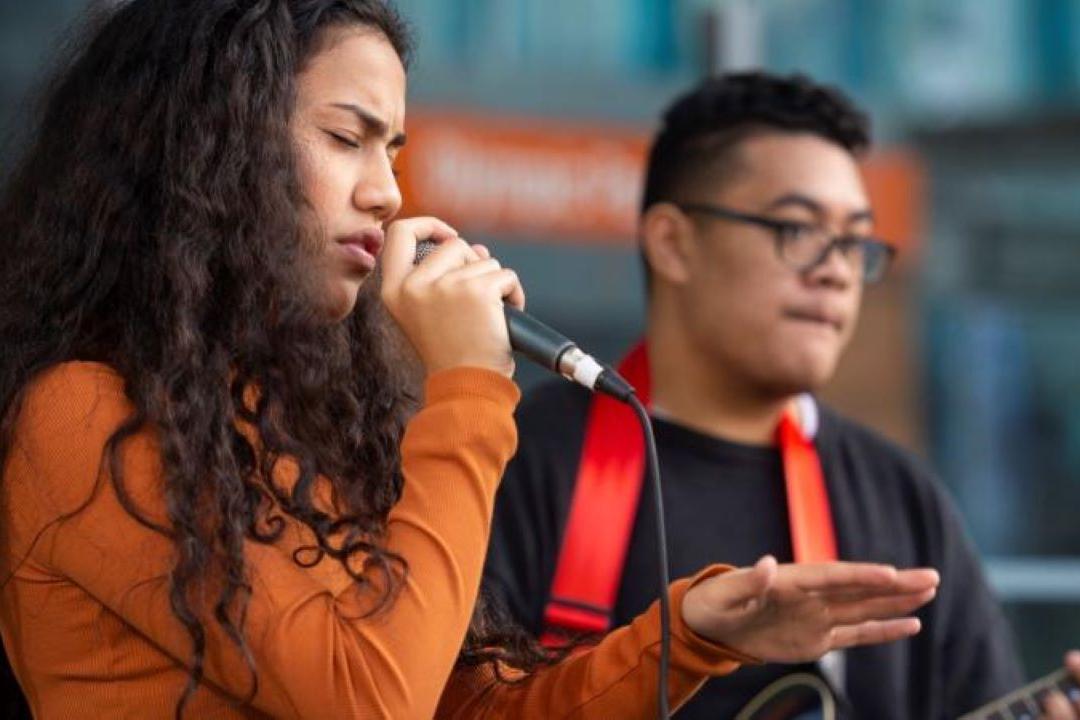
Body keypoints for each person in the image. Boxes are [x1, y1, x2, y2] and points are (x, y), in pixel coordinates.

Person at [0, 2, 944, 718]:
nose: (386, 193)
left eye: (396, 152)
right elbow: (370, 699)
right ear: (209, 147)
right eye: (345, 138)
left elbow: (467, 707)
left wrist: (686, 636)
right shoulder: (81, 414)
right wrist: (469, 388)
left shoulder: (296, 424)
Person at [483, 71, 1076, 719]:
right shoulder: (517, 460)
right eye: (797, 229)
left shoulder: (902, 498)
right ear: (673, 242)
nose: (836, 270)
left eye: (853, 241)